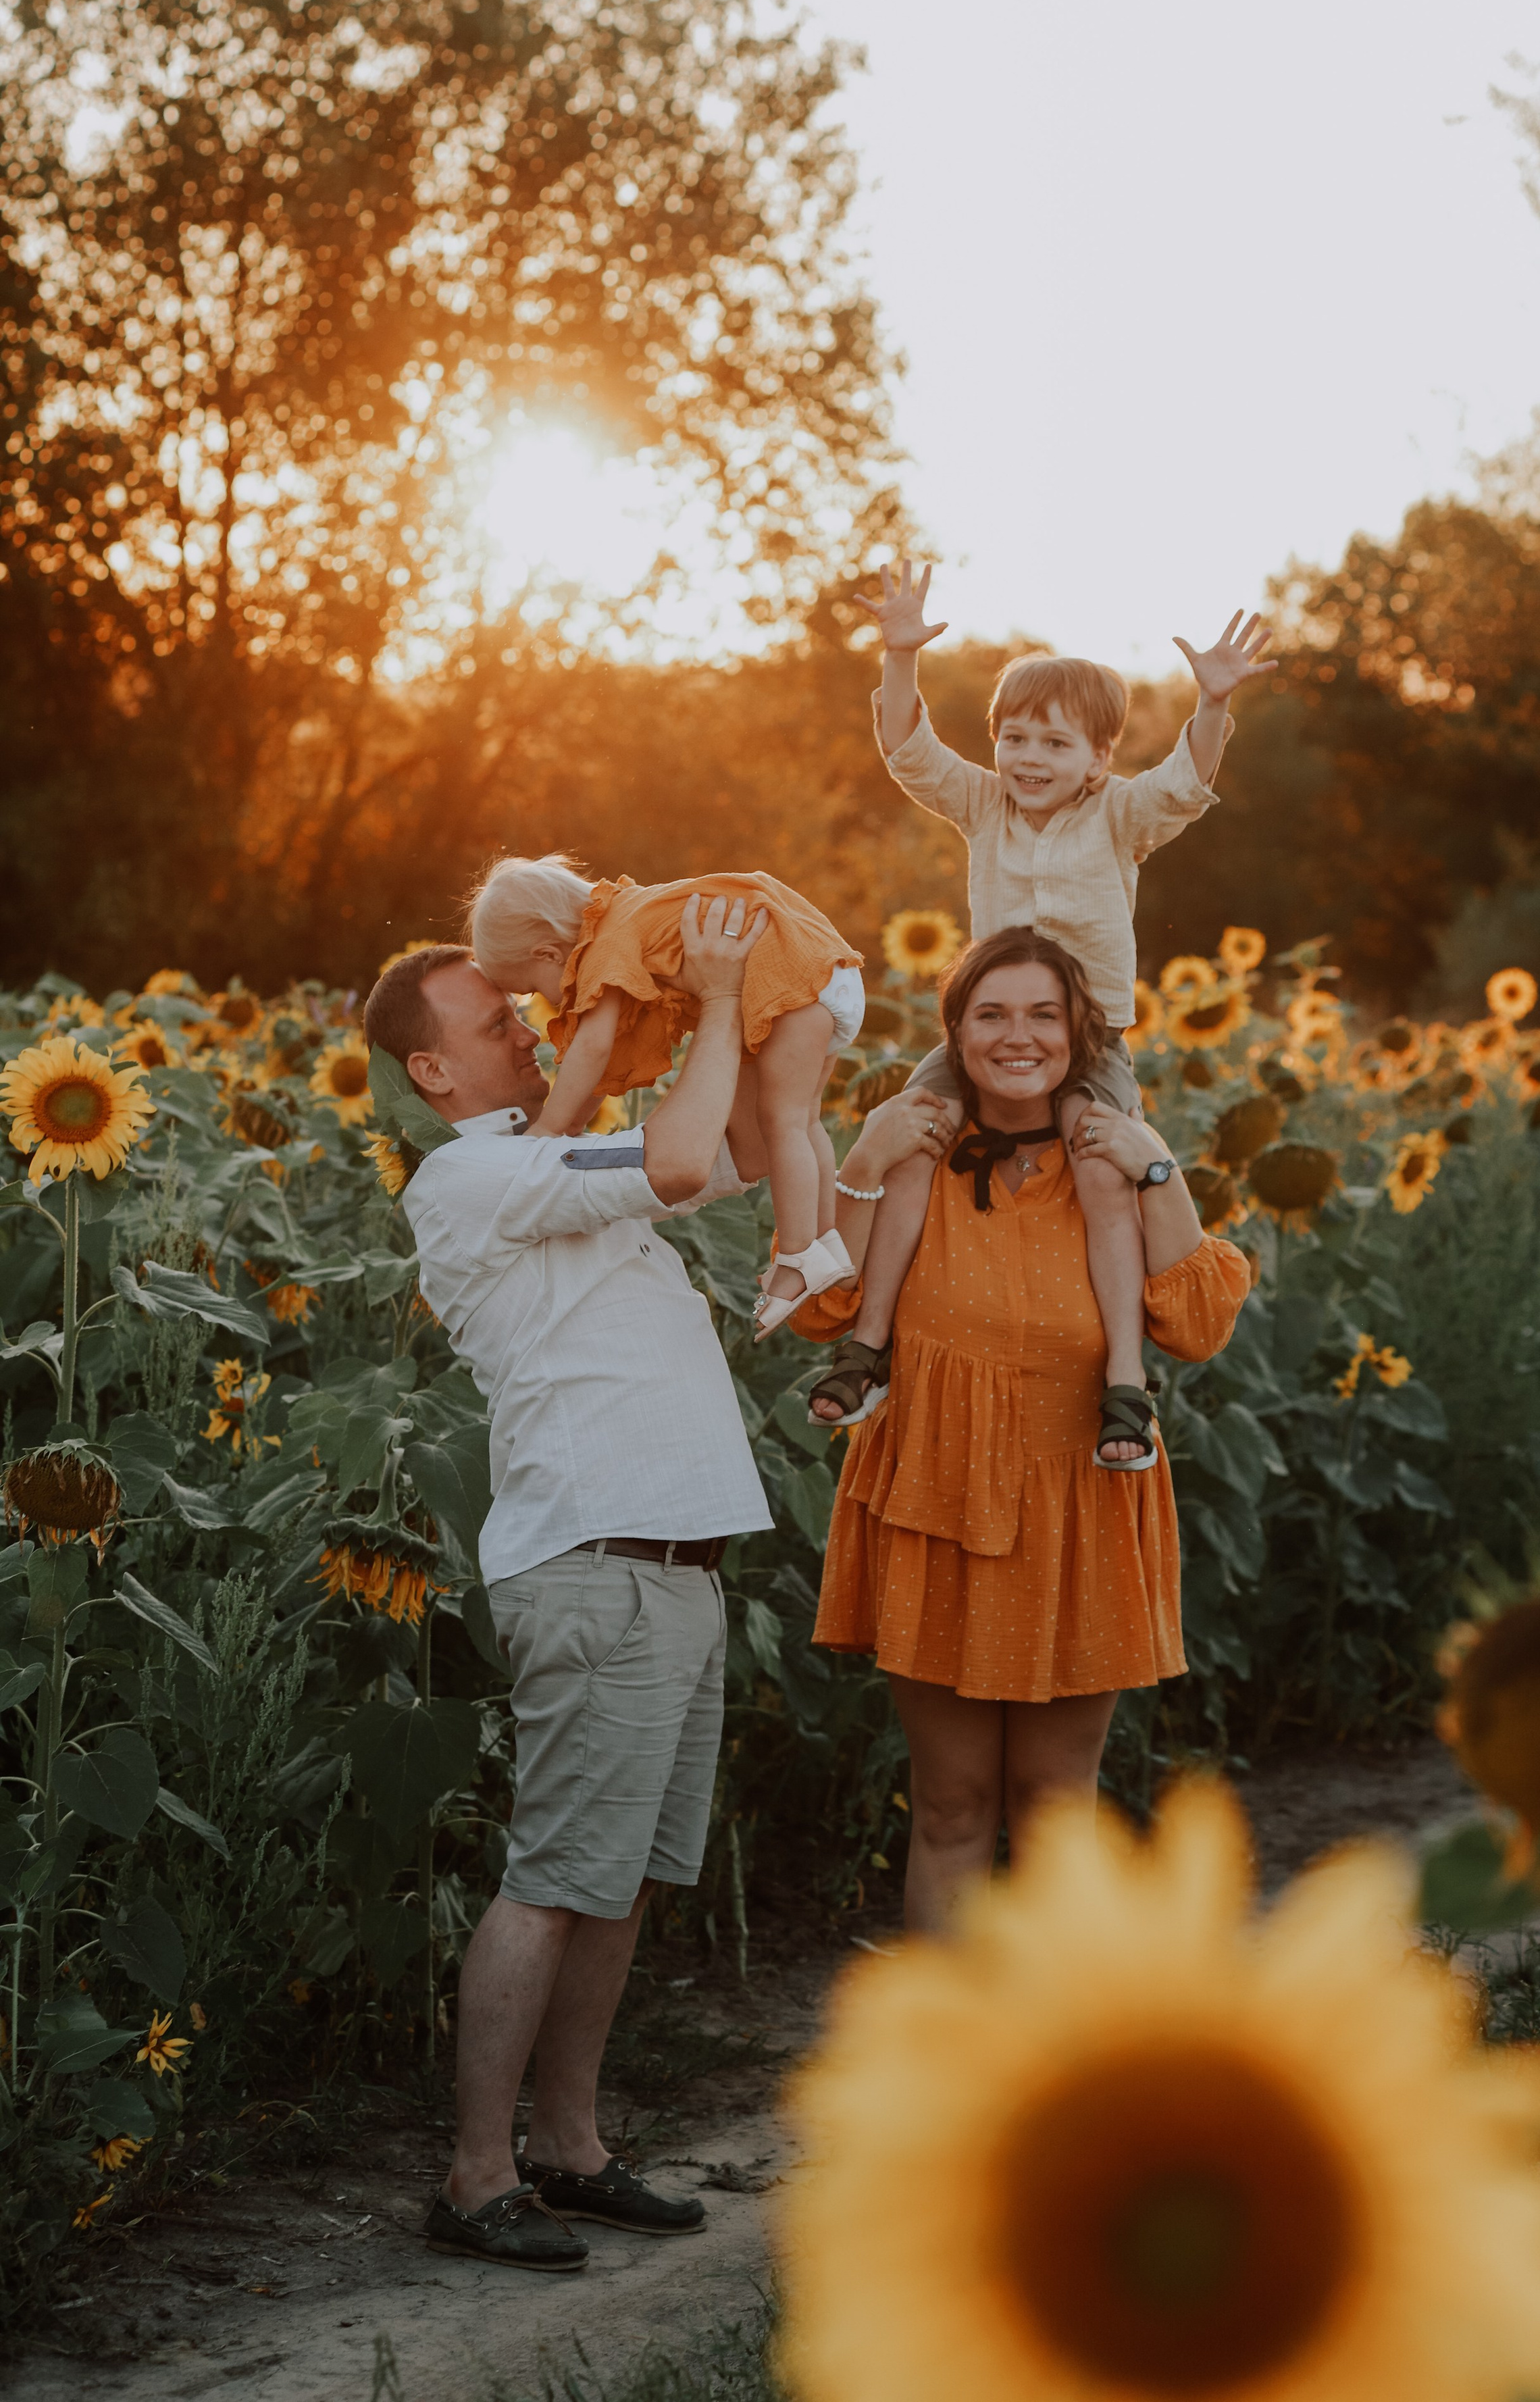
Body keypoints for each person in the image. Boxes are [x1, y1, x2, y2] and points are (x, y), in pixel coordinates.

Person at [363, 895, 778, 2274]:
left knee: (622, 1883)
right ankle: (476, 2177)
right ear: (433, 1068)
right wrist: (716, 996)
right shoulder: (469, 1177)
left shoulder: (555, 1165)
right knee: (553, 1879)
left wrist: (767, 1019)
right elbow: (677, 1159)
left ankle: (570, 2149)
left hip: (674, 1565)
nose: (531, 1028)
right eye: (497, 1021)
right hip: (599, 1562)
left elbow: (728, 1150)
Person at [793, 928, 1252, 1933]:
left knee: (1054, 1809)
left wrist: (1159, 1170)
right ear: (954, 1033)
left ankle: (1050, 2025)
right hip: (936, 1499)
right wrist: (864, 1157)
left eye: (1044, 1014)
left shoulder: (1111, 1158)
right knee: (952, 1804)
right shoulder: (916, 1154)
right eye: (992, 1014)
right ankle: (947, 2029)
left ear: (1078, 1031)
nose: (1018, 1036)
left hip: (1079, 1499)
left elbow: (1199, 1326)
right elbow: (822, 1309)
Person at [812, 561, 1270, 1468]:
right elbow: (908, 749)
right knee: (912, 1137)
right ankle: (869, 1345)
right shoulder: (983, 805)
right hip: (983, 1032)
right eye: (1014, 737)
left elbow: (1184, 781)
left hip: (1088, 1041)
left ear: (1098, 759)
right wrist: (899, 655)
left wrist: (1212, 704)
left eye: (1055, 743)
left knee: (1103, 1167)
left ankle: (1125, 1383)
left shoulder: (1121, 815)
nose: (1029, 758)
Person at [467, 854, 864, 1338]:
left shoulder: (605, 947)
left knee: (783, 1122)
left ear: (549, 953)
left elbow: (593, 1048)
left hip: (790, 980)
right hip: (826, 971)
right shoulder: (630, 917)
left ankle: (797, 1259)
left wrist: (549, 1129)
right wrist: (570, 1123)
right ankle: (825, 1242)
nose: (547, 1002)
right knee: (803, 1121)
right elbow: (605, 1061)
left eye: (532, 989)